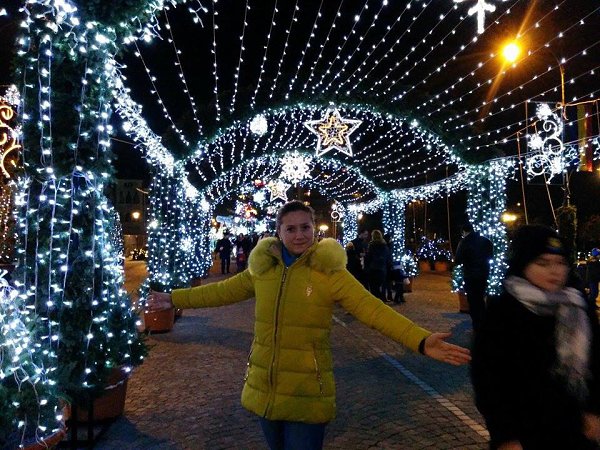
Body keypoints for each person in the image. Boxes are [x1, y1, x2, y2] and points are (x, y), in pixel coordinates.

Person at [147, 200, 471, 450]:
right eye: (291, 228)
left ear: (315, 229)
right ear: (279, 231)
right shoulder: (263, 269)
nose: (299, 234)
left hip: (307, 390)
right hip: (264, 386)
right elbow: (220, 291)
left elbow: (372, 309)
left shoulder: (329, 271)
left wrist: (420, 340)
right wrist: (174, 298)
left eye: (305, 227)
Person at [471, 225, 600, 450]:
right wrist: (505, 436)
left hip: (577, 429)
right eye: (542, 263)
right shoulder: (503, 311)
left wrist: (594, 409)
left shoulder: (578, 306)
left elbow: (597, 360)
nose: (554, 271)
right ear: (524, 264)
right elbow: (488, 378)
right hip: (524, 433)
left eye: (560, 262)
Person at [455, 222, 494, 332]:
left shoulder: (464, 242)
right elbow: (491, 256)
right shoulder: (486, 241)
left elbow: (458, 260)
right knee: (480, 298)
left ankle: (477, 325)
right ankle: (484, 322)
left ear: (464, 231)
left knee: (473, 301)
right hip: (483, 274)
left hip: (470, 275)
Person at [364, 229, 392, 302]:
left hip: (373, 269)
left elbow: (368, 258)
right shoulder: (385, 246)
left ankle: (376, 301)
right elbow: (388, 258)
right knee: (381, 286)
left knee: (373, 287)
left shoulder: (371, 246)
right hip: (382, 269)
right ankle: (381, 299)